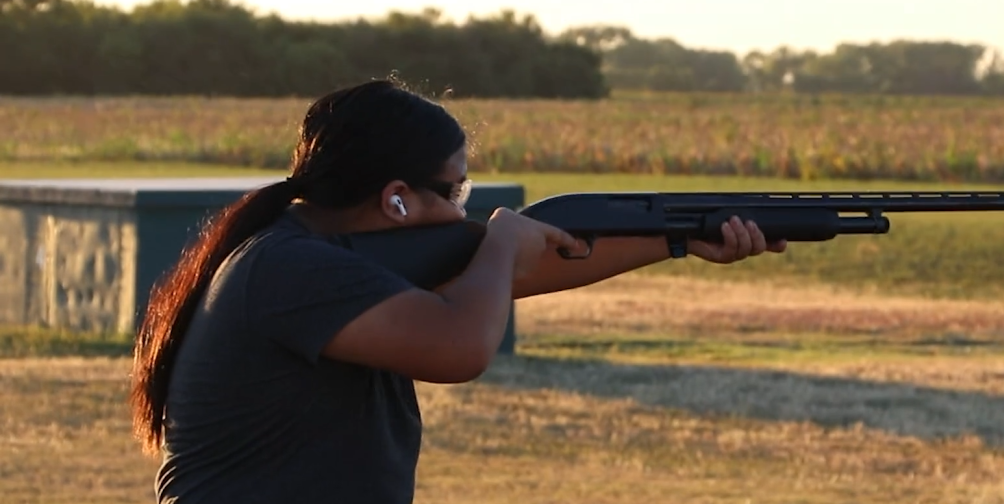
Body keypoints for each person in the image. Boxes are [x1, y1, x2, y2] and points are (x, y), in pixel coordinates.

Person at [129, 77, 787, 504]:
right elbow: (460, 346)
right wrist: (501, 241)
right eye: (457, 191)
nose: (463, 209)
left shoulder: (308, 254)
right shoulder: (293, 269)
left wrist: (677, 238)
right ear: (396, 200)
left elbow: (513, 278)